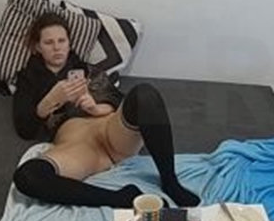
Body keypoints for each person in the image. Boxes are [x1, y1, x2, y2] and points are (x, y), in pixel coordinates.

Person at [12, 12, 200, 208]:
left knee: (145, 94)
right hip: (78, 147)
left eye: (62, 40)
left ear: (69, 43)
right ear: (38, 47)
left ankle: (170, 182)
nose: (57, 47)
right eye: (49, 42)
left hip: (112, 132)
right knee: (28, 176)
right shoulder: (28, 79)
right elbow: (25, 129)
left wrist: (95, 107)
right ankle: (122, 199)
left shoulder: (87, 70)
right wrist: (50, 100)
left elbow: (119, 101)